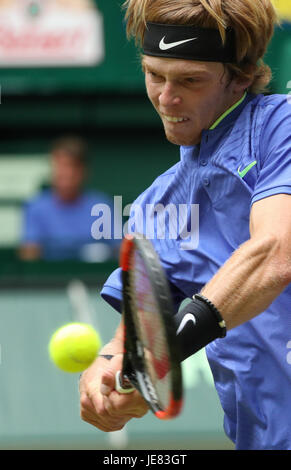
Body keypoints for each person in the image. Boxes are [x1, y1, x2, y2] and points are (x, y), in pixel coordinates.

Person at [79, 0, 291, 450]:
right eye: (155, 74)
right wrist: (112, 366)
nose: (166, 97)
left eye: (190, 81)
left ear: (240, 76)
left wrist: (162, 355)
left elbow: (276, 253)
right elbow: (138, 330)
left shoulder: (282, 127)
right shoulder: (154, 208)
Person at [19, 136, 116, 261]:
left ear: (83, 171)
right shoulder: (36, 207)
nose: (65, 173)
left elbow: (120, 250)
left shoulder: (102, 204)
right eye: (59, 166)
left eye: (71, 167)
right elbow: (29, 254)